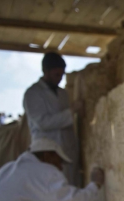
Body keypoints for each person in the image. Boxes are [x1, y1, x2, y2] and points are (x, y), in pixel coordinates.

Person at [23, 52, 83, 186]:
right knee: (50, 188)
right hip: (47, 151)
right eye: (57, 75)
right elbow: (42, 123)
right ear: (45, 71)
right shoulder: (33, 93)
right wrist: (71, 112)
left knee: (69, 187)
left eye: (62, 75)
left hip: (67, 149)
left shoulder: (63, 93)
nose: (60, 79)